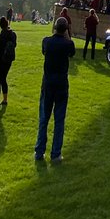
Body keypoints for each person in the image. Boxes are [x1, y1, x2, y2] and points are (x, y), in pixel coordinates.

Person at [34, 16, 75, 163]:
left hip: (48, 83)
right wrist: (66, 35)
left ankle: (39, 151)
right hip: (62, 85)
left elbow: (44, 52)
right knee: (59, 120)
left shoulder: (47, 42)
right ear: (66, 30)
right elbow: (72, 52)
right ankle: (56, 153)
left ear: (55, 27)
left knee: (44, 118)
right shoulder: (68, 44)